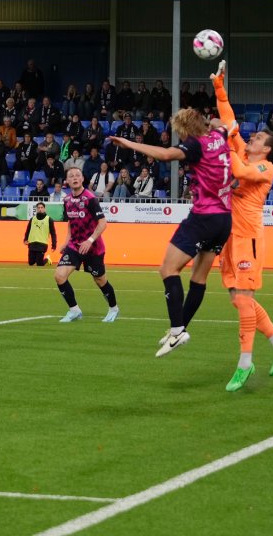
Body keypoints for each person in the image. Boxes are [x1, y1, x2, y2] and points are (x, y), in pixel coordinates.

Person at [109, 105, 232, 357]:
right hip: (224, 219)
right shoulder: (220, 136)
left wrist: (129, 144)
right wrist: (209, 122)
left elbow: (165, 155)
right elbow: (223, 122)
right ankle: (179, 328)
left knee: (168, 269)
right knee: (198, 278)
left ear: (185, 131)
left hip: (203, 217)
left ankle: (177, 330)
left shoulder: (195, 144)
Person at [211, 61, 273, 391]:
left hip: (249, 238)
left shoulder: (264, 168)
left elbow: (241, 174)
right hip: (230, 238)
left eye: (258, 137)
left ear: (268, 150)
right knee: (237, 298)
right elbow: (229, 118)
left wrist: (223, 141)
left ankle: (244, 363)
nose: (252, 137)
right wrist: (219, 86)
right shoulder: (244, 153)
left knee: (244, 299)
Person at [55, 167, 120, 323]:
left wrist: (90, 240)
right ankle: (74, 310)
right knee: (59, 276)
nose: (75, 178)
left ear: (82, 178)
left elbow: (103, 223)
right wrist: (66, 241)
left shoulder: (90, 198)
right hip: (74, 246)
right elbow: (70, 222)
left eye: (78, 175)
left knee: (100, 280)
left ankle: (113, 308)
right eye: (71, 176)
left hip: (93, 247)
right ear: (67, 181)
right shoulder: (67, 200)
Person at [23, 202, 57, 266]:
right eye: (38, 208)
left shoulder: (49, 219)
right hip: (32, 243)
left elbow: (53, 233)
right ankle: (38, 259)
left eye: (42, 208)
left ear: (44, 209)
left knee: (39, 264)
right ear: (36, 209)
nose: (40, 209)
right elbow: (28, 230)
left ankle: (47, 259)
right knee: (31, 263)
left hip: (42, 244)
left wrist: (54, 245)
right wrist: (25, 239)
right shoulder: (32, 219)